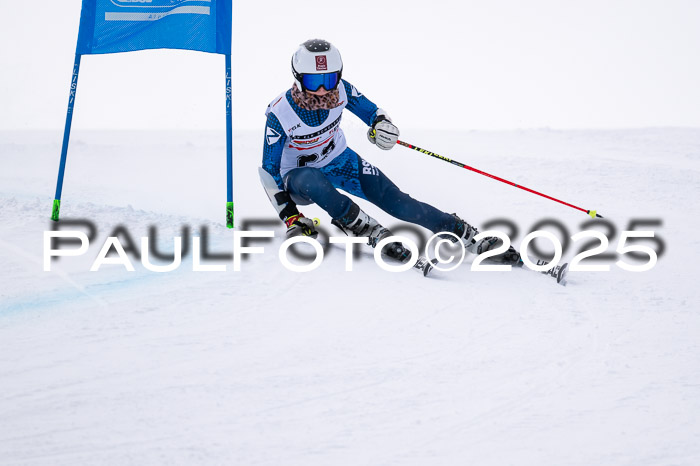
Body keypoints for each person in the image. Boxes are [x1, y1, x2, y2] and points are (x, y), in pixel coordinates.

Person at [259, 38, 519, 265]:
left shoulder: (342, 91)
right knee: (310, 178)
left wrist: (381, 126)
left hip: (341, 161)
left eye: (328, 79)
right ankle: (362, 226)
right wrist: (291, 217)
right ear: (298, 77)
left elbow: (373, 113)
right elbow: (269, 173)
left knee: (400, 203)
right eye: (313, 81)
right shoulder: (281, 112)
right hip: (299, 181)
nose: (322, 90)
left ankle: (467, 235)